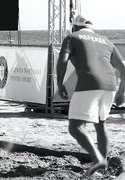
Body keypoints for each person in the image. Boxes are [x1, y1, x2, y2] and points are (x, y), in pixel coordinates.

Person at [56, 15, 125, 176]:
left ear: (74, 27)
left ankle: (98, 160)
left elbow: (62, 59)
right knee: (100, 124)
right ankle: (105, 163)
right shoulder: (105, 41)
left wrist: (60, 83)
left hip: (90, 82)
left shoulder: (72, 37)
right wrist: (121, 92)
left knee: (75, 127)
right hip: (110, 85)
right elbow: (123, 68)